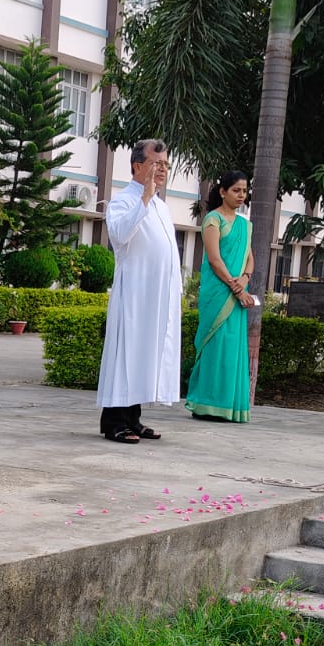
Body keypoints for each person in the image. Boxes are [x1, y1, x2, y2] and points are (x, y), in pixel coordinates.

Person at [95, 138, 183, 443]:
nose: (162, 170)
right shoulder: (123, 201)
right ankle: (114, 422)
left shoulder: (161, 206)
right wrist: (145, 196)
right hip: (133, 294)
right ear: (137, 166)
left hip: (156, 297)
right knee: (126, 355)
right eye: (156, 163)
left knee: (143, 356)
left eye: (166, 164)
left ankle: (133, 419)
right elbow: (120, 235)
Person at [184, 170, 254, 423]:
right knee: (215, 345)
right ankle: (206, 404)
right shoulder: (213, 220)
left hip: (237, 295)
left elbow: (250, 258)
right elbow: (214, 259)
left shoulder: (245, 225)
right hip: (218, 294)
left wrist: (245, 279)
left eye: (244, 191)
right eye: (236, 190)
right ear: (223, 192)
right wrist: (238, 289)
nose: (241, 195)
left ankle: (230, 407)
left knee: (233, 349)